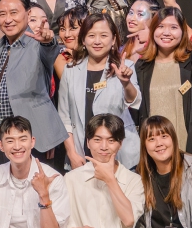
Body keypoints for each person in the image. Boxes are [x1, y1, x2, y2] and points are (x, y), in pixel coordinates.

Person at [0, 0, 66, 169]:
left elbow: (50, 50)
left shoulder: (39, 44)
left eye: (14, 12)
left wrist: (48, 41)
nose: (8, 19)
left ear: (28, 13)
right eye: (2, 14)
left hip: (33, 138)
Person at [57, 11, 141, 169]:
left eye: (103, 35)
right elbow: (64, 117)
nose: (97, 41)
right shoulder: (70, 70)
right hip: (82, 155)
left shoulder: (125, 66)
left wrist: (126, 83)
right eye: (91, 35)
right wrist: (72, 153)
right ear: (83, 39)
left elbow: (133, 101)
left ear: (113, 39)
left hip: (120, 155)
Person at [135, 6, 192, 158]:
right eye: (161, 26)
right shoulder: (142, 66)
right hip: (153, 149)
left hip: (188, 147)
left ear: (182, 32)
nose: (166, 32)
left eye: (173, 27)